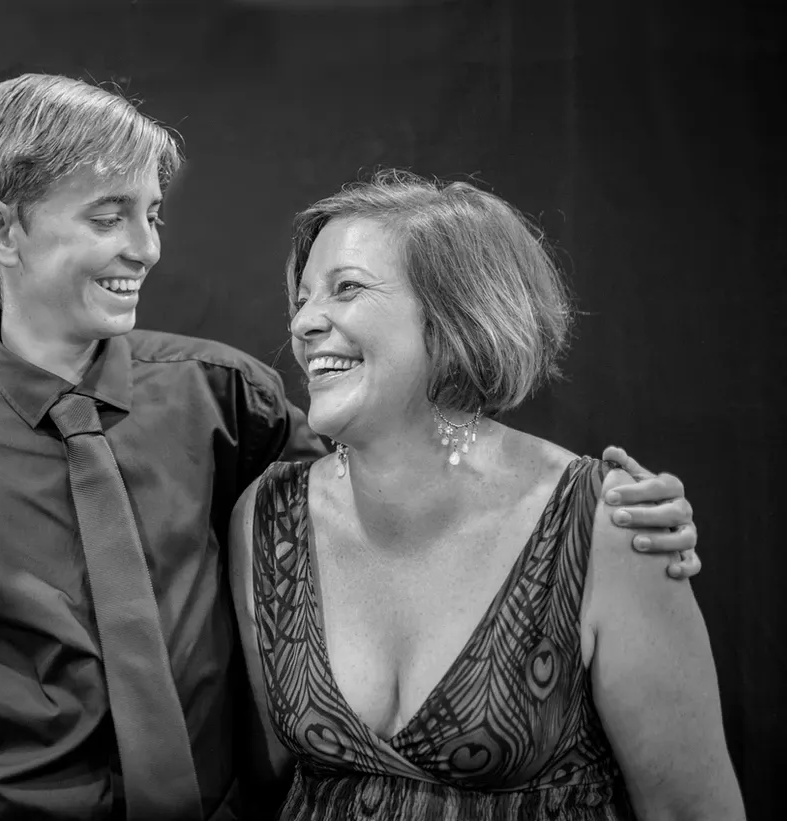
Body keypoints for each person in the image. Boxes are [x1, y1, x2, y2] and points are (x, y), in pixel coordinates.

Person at [0, 73, 697, 821]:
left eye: (153, 213)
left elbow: (404, 459)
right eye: (108, 215)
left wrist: (615, 513)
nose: (145, 247)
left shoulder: (221, 395)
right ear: (0, 229)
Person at [223, 171, 743, 820]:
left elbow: (687, 808)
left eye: (345, 288)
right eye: (300, 299)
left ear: (454, 312)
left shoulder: (607, 523)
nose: (302, 323)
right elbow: (262, 785)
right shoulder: (268, 521)